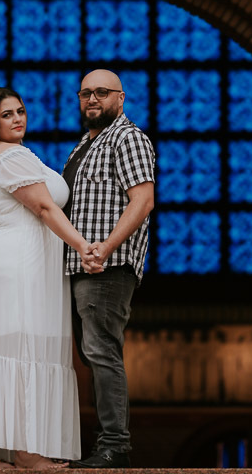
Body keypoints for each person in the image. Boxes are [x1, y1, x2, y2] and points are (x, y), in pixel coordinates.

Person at [0, 87, 101, 469]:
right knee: (19, 352)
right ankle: (26, 452)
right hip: (16, 266)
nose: (17, 118)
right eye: (7, 114)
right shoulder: (12, 156)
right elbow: (45, 207)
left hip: (4, 262)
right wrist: (83, 246)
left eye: (21, 111)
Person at [62, 69, 156, 469]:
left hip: (108, 265)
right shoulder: (85, 145)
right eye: (85, 93)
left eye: (102, 92)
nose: (92, 99)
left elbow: (143, 200)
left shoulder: (127, 137)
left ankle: (115, 444)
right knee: (92, 354)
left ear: (121, 98)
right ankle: (107, 441)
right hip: (81, 265)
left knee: (101, 351)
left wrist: (106, 248)